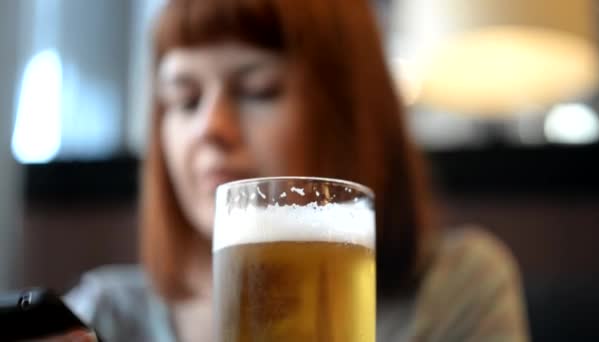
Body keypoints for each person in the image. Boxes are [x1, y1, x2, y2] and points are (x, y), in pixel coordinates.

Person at [63, 0, 529, 341]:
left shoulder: (457, 287)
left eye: (257, 89)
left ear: (348, 112)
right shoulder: (103, 316)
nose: (211, 127)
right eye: (185, 99)